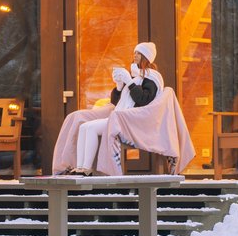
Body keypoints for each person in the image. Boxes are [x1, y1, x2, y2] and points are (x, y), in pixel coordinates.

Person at [51, 42, 193, 175]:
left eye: (139, 53)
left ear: (146, 57)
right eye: (134, 52)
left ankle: (86, 168)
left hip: (134, 122)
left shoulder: (152, 78)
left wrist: (129, 82)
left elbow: (143, 100)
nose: (135, 55)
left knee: (91, 128)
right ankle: (81, 167)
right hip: (120, 117)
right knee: (84, 127)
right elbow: (116, 103)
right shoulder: (135, 76)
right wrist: (119, 86)